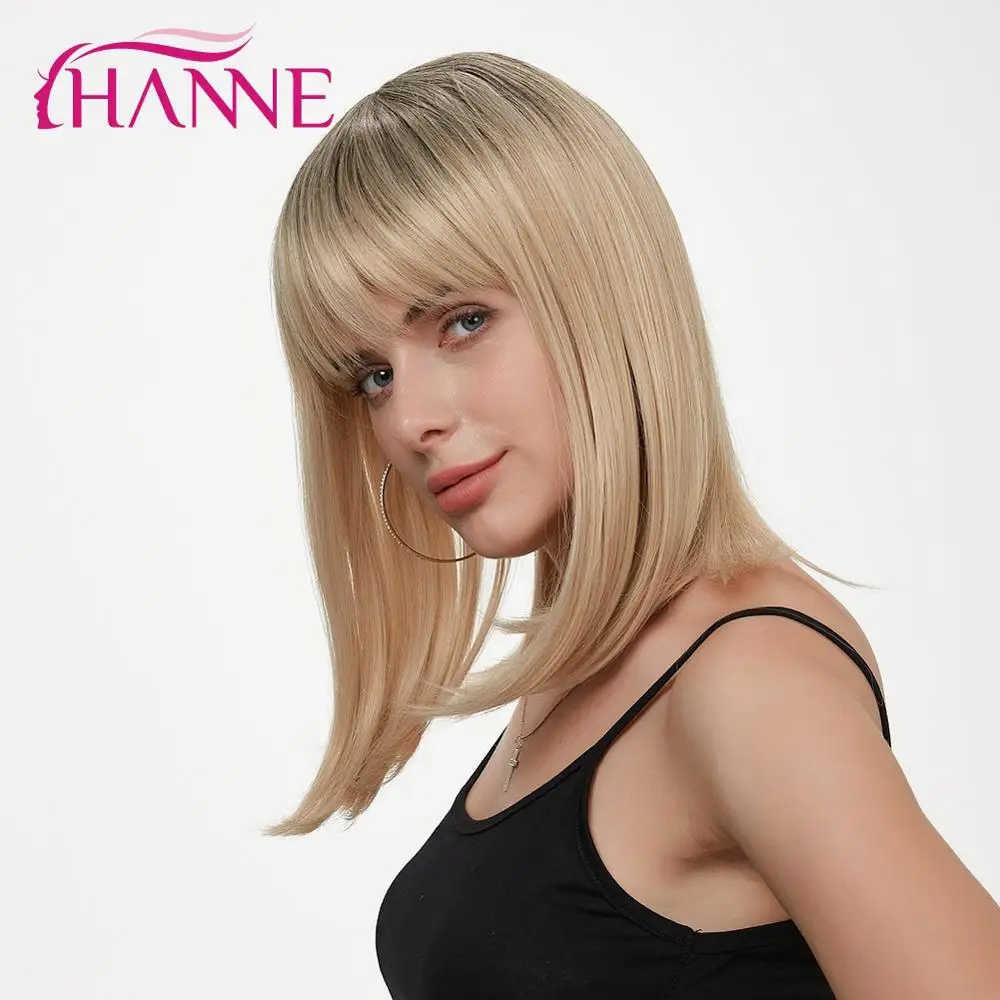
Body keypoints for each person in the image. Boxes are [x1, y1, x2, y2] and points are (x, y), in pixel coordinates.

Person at [264, 51, 1000, 998]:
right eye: (373, 375)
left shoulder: (745, 676)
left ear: (600, 291)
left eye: (462, 322)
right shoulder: (589, 670)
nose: (409, 421)